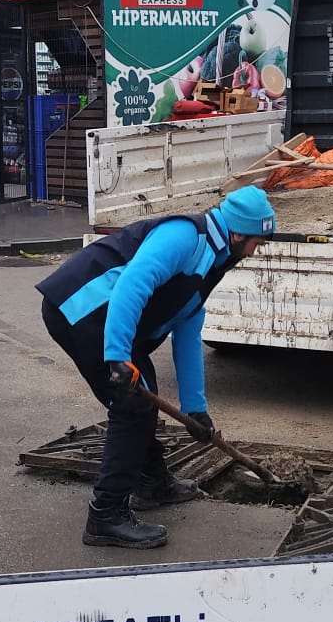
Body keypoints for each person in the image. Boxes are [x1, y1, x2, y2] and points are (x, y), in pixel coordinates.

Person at [36, 186, 278, 549]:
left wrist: (196, 410)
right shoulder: (184, 236)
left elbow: (188, 328)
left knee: (142, 402)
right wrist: (117, 354)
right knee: (133, 407)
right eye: (257, 242)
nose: (256, 251)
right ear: (239, 233)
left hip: (109, 322)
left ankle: (151, 484)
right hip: (82, 311)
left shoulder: (214, 259)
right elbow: (132, 285)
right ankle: (105, 516)